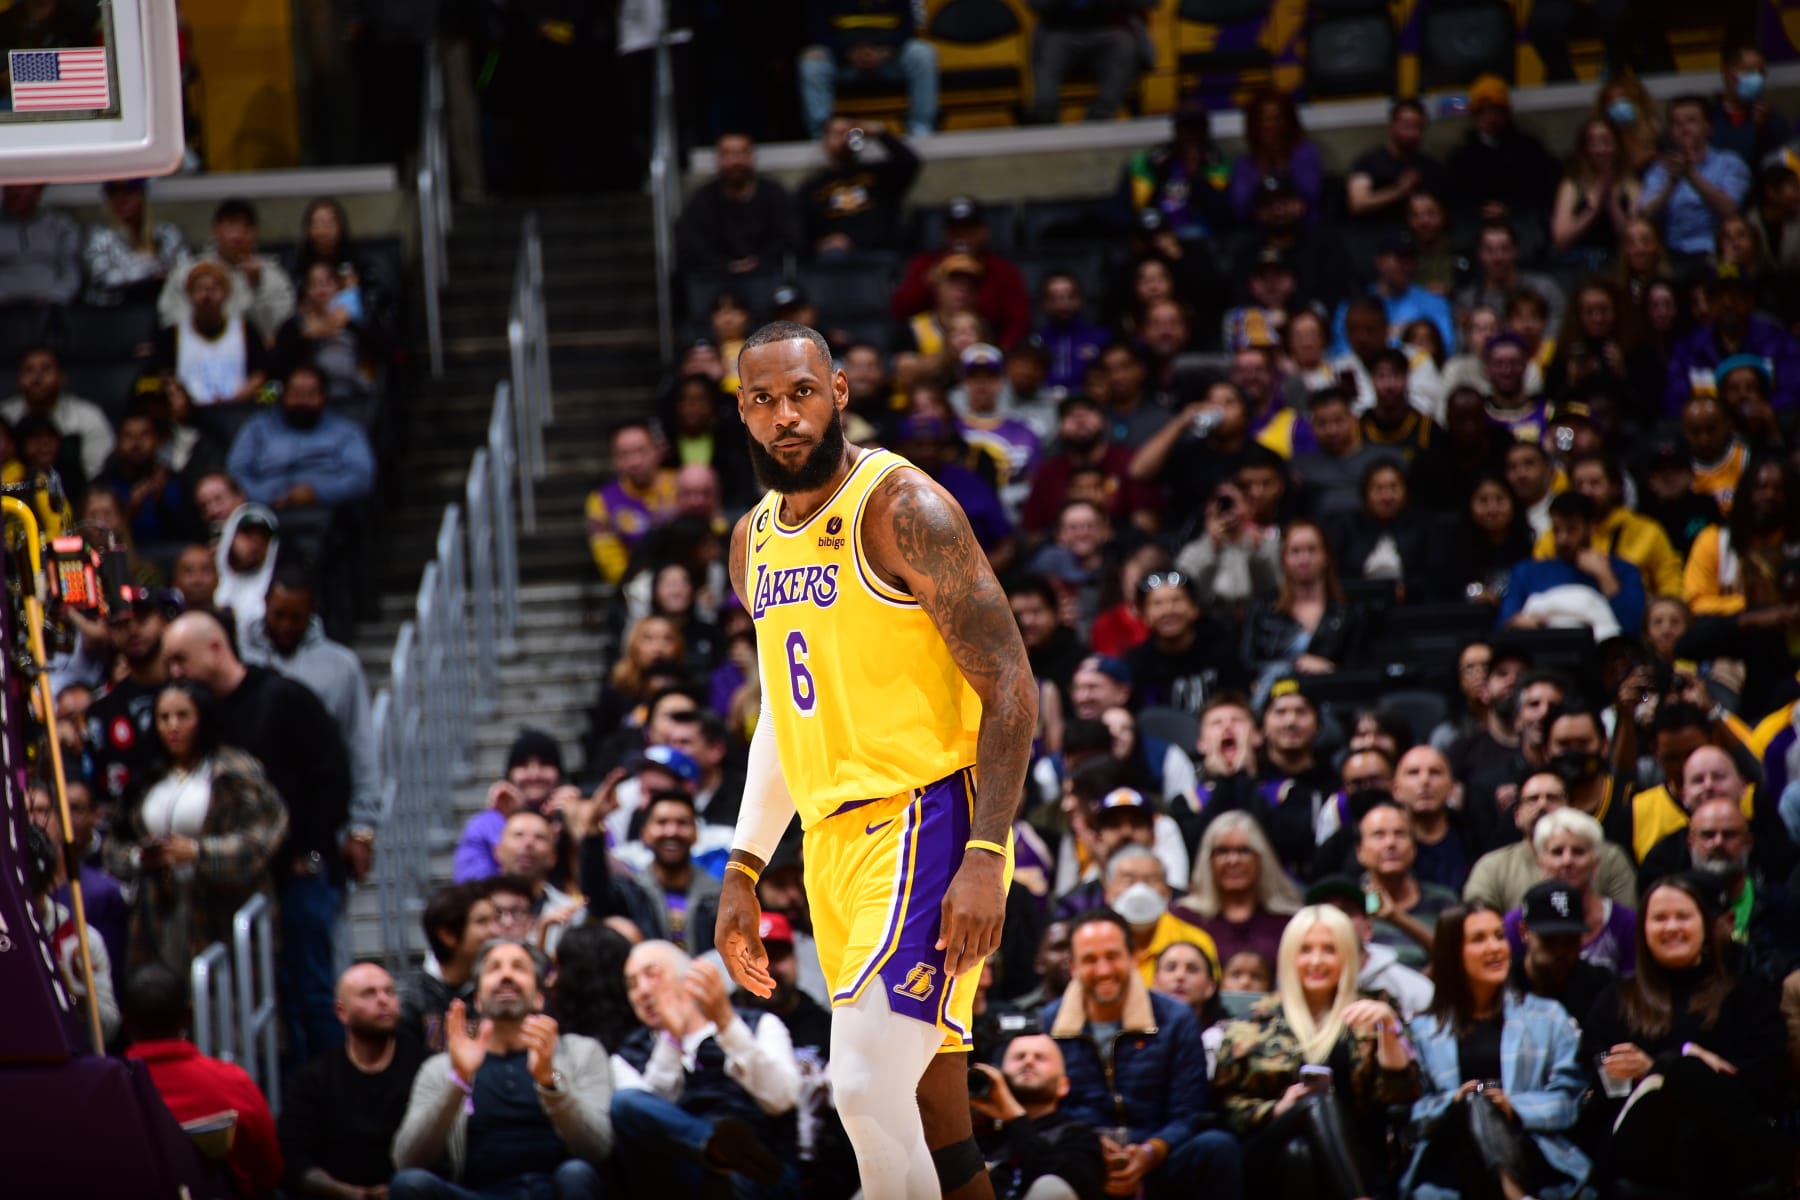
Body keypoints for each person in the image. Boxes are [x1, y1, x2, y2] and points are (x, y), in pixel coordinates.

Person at [713, 321, 1040, 1200]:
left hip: (927, 820)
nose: (785, 416)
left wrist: (986, 853)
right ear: (742, 411)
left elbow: (1012, 683)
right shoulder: (751, 543)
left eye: (802, 393)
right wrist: (744, 864)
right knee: (933, 1116)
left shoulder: (902, 509)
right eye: (764, 400)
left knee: (860, 1088)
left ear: (840, 393)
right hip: (832, 847)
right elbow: (786, 716)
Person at [162, 609, 354, 1062]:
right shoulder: (205, 716)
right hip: (243, 880)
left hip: (300, 872)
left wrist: (310, 851)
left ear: (215, 648)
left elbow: (333, 776)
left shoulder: (282, 697)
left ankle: (332, 1086)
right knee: (271, 1000)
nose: (175, 672)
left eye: (181, 659)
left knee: (311, 992)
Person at [1579, 874, 1789, 1199]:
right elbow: (1603, 1080)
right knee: (1680, 1069)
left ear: (1705, 926)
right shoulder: (1614, 1001)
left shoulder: (1748, 995)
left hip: (1729, 1146)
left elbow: (1765, 1082)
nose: (1671, 927)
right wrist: (1673, 1063)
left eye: (1683, 917)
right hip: (1642, 1145)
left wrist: (1664, 1068)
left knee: (1685, 1071)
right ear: (1643, 929)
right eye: (1660, 918)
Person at [1210, 905, 1420, 1200]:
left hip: (1358, 1148)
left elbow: (1401, 1096)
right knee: (1314, 1109)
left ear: (1347, 955)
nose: (1316, 961)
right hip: (1268, 1152)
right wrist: (1278, 1109)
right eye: (1305, 950)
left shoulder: (1376, 1010)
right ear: (1289, 957)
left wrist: (1388, 1028)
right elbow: (1225, 1107)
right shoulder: (1254, 1022)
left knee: (1302, 1153)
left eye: (1329, 950)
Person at [1042, 909, 1243, 1200]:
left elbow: (1188, 1112)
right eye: (1090, 960)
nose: (1103, 970)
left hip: (1159, 1154)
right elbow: (1045, 1111)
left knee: (1218, 1148)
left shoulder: (1176, 1018)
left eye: (1112, 956)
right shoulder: (1048, 1023)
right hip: (1080, 1157)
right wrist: (1090, 1145)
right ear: (1072, 967)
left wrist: (1151, 1152)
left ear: (1134, 957)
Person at [391, 938, 614, 1199]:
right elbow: (406, 1159)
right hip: (478, 1194)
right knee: (409, 1183)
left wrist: (549, 1079)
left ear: (538, 998)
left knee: (576, 1174)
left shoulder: (581, 1052)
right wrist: (459, 1080)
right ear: (478, 1001)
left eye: (519, 967)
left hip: (557, 1189)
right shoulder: (441, 1068)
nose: (506, 975)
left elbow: (598, 1147)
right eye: (494, 968)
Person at [1402, 904, 1591, 1200]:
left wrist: (1512, 1106)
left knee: (1482, 1103)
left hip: (1528, 1149)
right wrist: (1454, 1102)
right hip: (1452, 1156)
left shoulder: (1549, 1016)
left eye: (1499, 936)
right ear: (1452, 952)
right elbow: (1412, 1113)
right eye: (1479, 939)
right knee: (1475, 1101)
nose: (1495, 948)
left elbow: (1571, 1099)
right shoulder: (1423, 1029)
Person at [103, 680, 289, 972]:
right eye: (164, 717)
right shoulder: (147, 776)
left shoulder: (233, 769)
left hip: (224, 908)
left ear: (202, 717)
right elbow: (112, 845)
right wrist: (139, 857)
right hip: (159, 914)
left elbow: (264, 835)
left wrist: (199, 851)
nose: (172, 726)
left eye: (182, 715)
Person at [608, 939, 798, 1195]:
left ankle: (725, 1157)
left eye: (652, 975)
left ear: (689, 978)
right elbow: (644, 1124)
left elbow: (782, 1100)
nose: (642, 991)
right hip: (683, 1177)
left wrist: (726, 1023)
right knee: (624, 1102)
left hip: (760, 1172)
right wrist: (671, 1042)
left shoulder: (759, 1024)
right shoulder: (626, 1056)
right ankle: (714, 1148)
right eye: (632, 985)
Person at [241, 565, 380, 872]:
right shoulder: (241, 658)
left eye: (296, 617)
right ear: (265, 604)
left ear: (313, 611)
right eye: (278, 615)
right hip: (251, 827)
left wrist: (362, 829)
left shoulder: (341, 666)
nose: (286, 625)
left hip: (318, 827)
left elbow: (360, 745)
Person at [123, 962, 284, 1198]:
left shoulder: (104, 1094)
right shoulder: (233, 1083)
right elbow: (269, 1172)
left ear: (125, 1022)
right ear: (188, 1016)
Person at [281, 963, 429, 1199]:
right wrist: (353, 1195)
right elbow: (294, 1162)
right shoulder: (313, 1080)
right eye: (369, 993)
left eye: (389, 992)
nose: (383, 1000)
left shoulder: (425, 1069)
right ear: (341, 1012)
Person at [968, 1032, 1106, 1200]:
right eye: (1019, 1057)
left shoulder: (1080, 1137)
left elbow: (1064, 1188)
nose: (1028, 1061)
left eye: (1040, 1058)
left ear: (1063, 1085)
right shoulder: (980, 1134)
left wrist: (1015, 1118)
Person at [1499, 491, 1646, 638]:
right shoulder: (1527, 572)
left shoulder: (1623, 571)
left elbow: (1632, 627)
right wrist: (1518, 623)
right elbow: (1504, 623)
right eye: (1556, 530)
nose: (1562, 539)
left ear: (1591, 527)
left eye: (1571, 529)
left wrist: (1604, 576)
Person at [1506, 808, 1637, 974]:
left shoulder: (1626, 923)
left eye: (1578, 851)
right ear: (1540, 862)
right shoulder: (1515, 924)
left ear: (1596, 864)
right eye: (1557, 852)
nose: (1567, 861)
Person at [1666, 265, 1800, 415]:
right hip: (1710, 425)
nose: (1728, 303)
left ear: (1750, 301)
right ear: (1709, 303)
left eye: (1735, 294)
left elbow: (1793, 393)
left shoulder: (1778, 341)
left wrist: (1759, 410)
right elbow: (1675, 401)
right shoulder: (1687, 348)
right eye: (1719, 296)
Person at [1178, 809, 1301, 969]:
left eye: (1244, 851)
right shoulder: (1183, 919)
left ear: (1261, 859)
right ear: (1208, 860)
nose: (1233, 860)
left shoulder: (1289, 922)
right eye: (1222, 851)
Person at [158, 197, 296, 337]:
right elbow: (170, 318)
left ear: (255, 233)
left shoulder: (273, 276)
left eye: (246, 228)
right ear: (215, 230)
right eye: (231, 226)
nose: (238, 236)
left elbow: (279, 328)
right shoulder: (188, 273)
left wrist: (257, 287)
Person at [798, 2, 935, 138]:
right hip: (844, 63)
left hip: (889, 61)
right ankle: (821, 135)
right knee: (811, 61)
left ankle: (921, 130)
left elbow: (909, 27)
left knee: (922, 53)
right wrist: (846, 53)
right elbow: (817, 30)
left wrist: (886, 51)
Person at [1639, 96, 1751, 261]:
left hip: (1717, 253)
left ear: (1708, 127)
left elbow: (1730, 209)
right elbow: (1645, 215)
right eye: (1677, 123)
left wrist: (1691, 175)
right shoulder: (1660, 169)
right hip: (1672, 254)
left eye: (1691, 121)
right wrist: (1672, 183)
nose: (1684, 128)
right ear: (1671, 132)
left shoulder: (1730, 163)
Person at [679, 132, 801, 277]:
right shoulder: (702, 199)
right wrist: (726, 266)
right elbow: (693, 245)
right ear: (718, 159)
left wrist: (758, 262)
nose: (735, 162)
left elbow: (788, 238)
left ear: (751, 156)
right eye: (727, 154)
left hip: (768, 277)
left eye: (741, 153)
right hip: (716, 279)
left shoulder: (773, 193)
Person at [1356, 801, 1459, 970]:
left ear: (1414, 847)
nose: (1391, 843)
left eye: (1400, 834)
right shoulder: (1347, 903)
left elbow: (1457, 959)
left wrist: (1397, 917)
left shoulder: (1443, 901)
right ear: (1360, 851)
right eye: (1379, 835)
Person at [797, 117, 921, 255]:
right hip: (836, 259)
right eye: (837, 134)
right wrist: (821, 243)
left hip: (881, 254)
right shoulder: (812, 187)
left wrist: (878, 132)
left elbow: (909, 163)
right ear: (825, 140)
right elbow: (801, 233)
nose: (844, 139)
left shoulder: (878, 174)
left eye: (848, 133)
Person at [1447, 76, 1561, 225]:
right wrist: (1480, 210)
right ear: (1474, 116)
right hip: (1476, 225)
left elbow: (1542, 191)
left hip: (1522, 221)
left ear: (1507, 113)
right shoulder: (1461, 158)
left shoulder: (1528, 150)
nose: (1490, 118)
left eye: (1496, 110)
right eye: (1482, 111)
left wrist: (1511, 208)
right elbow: (1457, 201)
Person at [402, 881, 499, 1051]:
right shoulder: (413, 1001)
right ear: (447, 935)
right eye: (482, 921)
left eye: (495, 920)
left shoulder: (499, 989)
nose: (495, 931)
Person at [0, 344, 114, 482]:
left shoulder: (88, 417)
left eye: (46, 369)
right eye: (29, 370)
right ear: (18, 379)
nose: (36, 378)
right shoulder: (4, 416)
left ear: (62, 378)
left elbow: (99, 476)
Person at [1510, 879, 1617, 1026]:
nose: (1561, 951)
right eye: (1550, 940)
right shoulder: (1505, 985)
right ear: (1524, 932)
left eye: (1570, 940)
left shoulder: (1601, 984)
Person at [586, 421, 679, 586]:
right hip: (635, 585)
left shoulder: (684, 484)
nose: (635, 462)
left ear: (658, 450)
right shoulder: (601, 501)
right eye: (624, 454)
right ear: (614, 459)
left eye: (641, 451)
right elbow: (609, 558)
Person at [1551, 118, 1640, 270]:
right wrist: (1593, 209)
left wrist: (1610, 201)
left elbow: (1632, 238)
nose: (1600, 149)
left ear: (1617, 145)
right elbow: (1561, 239)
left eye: (1606, 142)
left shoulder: (1631, 184)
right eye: (1593, 144)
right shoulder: (1572, 185)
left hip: (1618, 261)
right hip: (1579, 262)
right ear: (1584, 149)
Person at [1345, 99, 1449, 224]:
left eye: (1418, 127)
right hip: (1378, 230)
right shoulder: (1368, 163)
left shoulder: (1432, 167)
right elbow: (1358, 204)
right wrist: (1399, 191)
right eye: (1406, 126)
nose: (1412, 133)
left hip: (1420, 231)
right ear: (1391, 127)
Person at [1712, 41, 1790, 170]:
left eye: (1761, 74)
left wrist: (1764, 130)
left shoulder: (1773, 120)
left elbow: (1780, 165)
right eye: (1750, 72)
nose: (1757, 79)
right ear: (1728, 73)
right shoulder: (1709, 118)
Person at [0, 182, 79, 305]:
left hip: (51, 305)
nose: (14, 191)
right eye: (9, 186)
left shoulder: (60, 225)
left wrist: (55, 296)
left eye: (22, 186)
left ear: (39, 189)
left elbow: (71, 271)